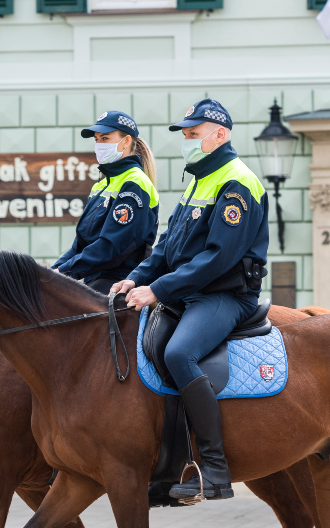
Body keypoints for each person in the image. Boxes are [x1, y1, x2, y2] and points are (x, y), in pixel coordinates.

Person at [111, 99, 269, 501]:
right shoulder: (200, 179)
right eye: (185, 135)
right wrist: (134, 279)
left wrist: (159, 290)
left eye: (193, 134)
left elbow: (219, 257)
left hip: (224, 296)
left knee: (180, 354)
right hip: (189, 293)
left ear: (221, 134)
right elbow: (166, 247)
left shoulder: (237, 182)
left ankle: (214, 469)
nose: (187, 141)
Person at [52, 110, 159, 294]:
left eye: (105, 138)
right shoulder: (100, 185)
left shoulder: (135, 183)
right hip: (93, 277)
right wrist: (50, 274)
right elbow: (79, 246)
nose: (99, 145)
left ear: (126, 141)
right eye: (96, 140)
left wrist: (64, 272)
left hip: (119, 280)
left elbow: (112, 247)